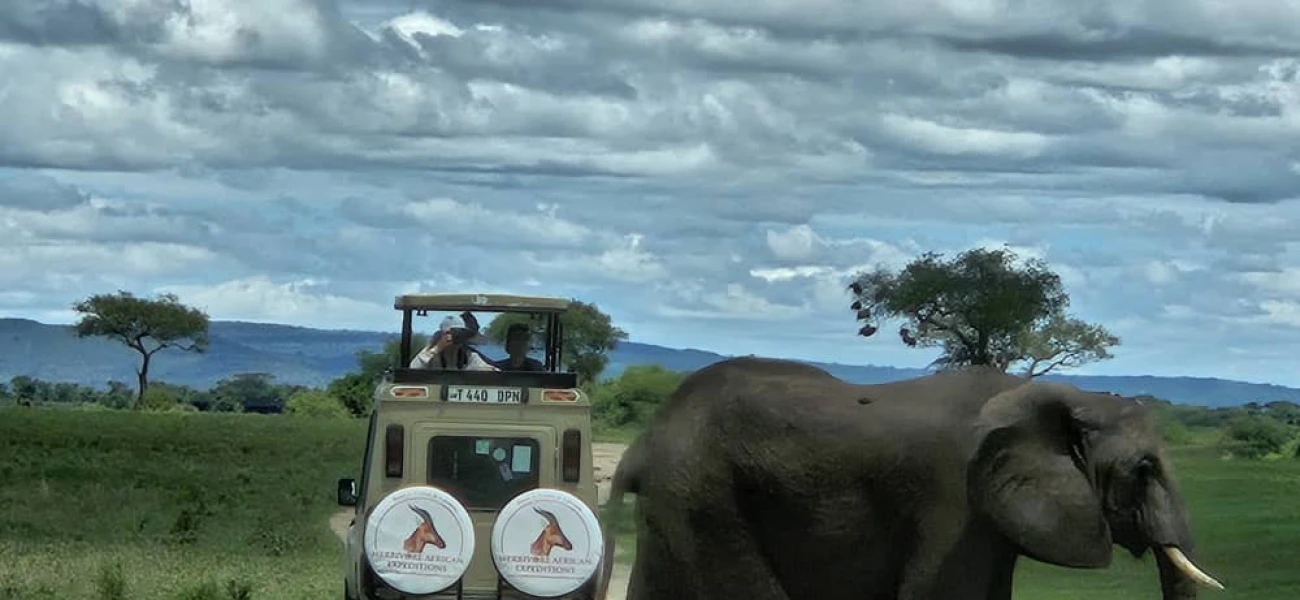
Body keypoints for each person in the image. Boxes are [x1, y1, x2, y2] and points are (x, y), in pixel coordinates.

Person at [410, 313, 500, 371]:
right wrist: (437, 348)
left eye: (460, 333)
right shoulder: (431, 354)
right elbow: (413, 369)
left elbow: (494, 372)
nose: (457, 337)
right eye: (454, 333)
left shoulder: (468, 356)